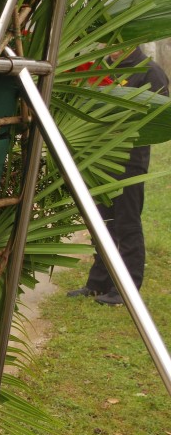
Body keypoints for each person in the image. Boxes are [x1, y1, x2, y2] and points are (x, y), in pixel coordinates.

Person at [69, 46, 169, 306]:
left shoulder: (150, 71)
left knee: (126, 224)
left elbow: (159, 119)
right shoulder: (101, 68)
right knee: (102, 224)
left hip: (129, 160)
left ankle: (126, 289)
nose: (110, 47)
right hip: (99, 158)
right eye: (106, 42)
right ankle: (98, 283)